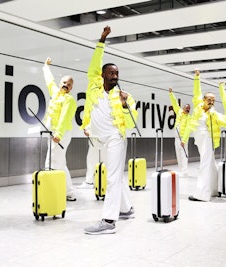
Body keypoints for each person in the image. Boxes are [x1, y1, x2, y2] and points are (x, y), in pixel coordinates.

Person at [82, 26, 138, 234]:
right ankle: (127, 209)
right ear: (103, 74)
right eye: (111, 73)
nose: (115, 76)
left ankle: (108, 221)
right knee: (116, 175)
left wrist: (124, 106)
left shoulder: (125, 96)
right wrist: (102, 41)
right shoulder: (93, 87)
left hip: (116, 137)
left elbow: (131, 122)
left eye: (117, 73)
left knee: (113, 177)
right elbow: (94, 62)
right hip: (98, 139)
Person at [181, 69, 226, 202]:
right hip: (200, 139)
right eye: (209, 99)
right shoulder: (198, 108)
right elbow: (191, 124)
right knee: (211, 164)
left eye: (213, 100)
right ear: (203, 100)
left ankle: (202, 194)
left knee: (205, 164)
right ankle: (214, 190)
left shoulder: (213, 113)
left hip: (208, 140)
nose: (211, 102)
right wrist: (197, 77)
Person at [42, 57, 77, 201]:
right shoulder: (55, 93)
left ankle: (50, 190)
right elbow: (49, 81)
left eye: (69, 84)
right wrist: (46, 66)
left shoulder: (69, 100)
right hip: (53, 133)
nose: (66, 85)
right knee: (60, 162)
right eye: (64, 82)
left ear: (71, 88)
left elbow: (64, 118)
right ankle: (69, 192)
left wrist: (59, 134)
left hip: (61, 134)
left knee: (52, 161)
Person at [168, 88, 191, 177]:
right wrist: (171, 94)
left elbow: (188, 130)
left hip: (183, 139)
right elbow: (175, 104)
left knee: (184, 154)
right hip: (176, 137)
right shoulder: (179, 112)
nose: (188, 109)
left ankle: (185, 170)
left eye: (189, 108)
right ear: (184, 107)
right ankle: (181, 170)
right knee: (178, 154)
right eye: (186, 108)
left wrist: (184, 140)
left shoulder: (189, 118)